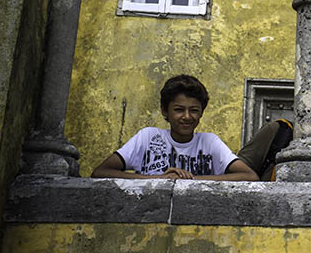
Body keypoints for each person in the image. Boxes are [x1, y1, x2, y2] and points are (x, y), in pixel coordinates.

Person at [92, 75, 257, 181]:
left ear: (201, 113)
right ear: (165, 110)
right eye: (179, 110)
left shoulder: (209, 142)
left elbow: (249, 176)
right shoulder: (148, 137)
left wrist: (190, 180)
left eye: (194, 110)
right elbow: (100, 172)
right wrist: (159, 179)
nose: (187, 116)